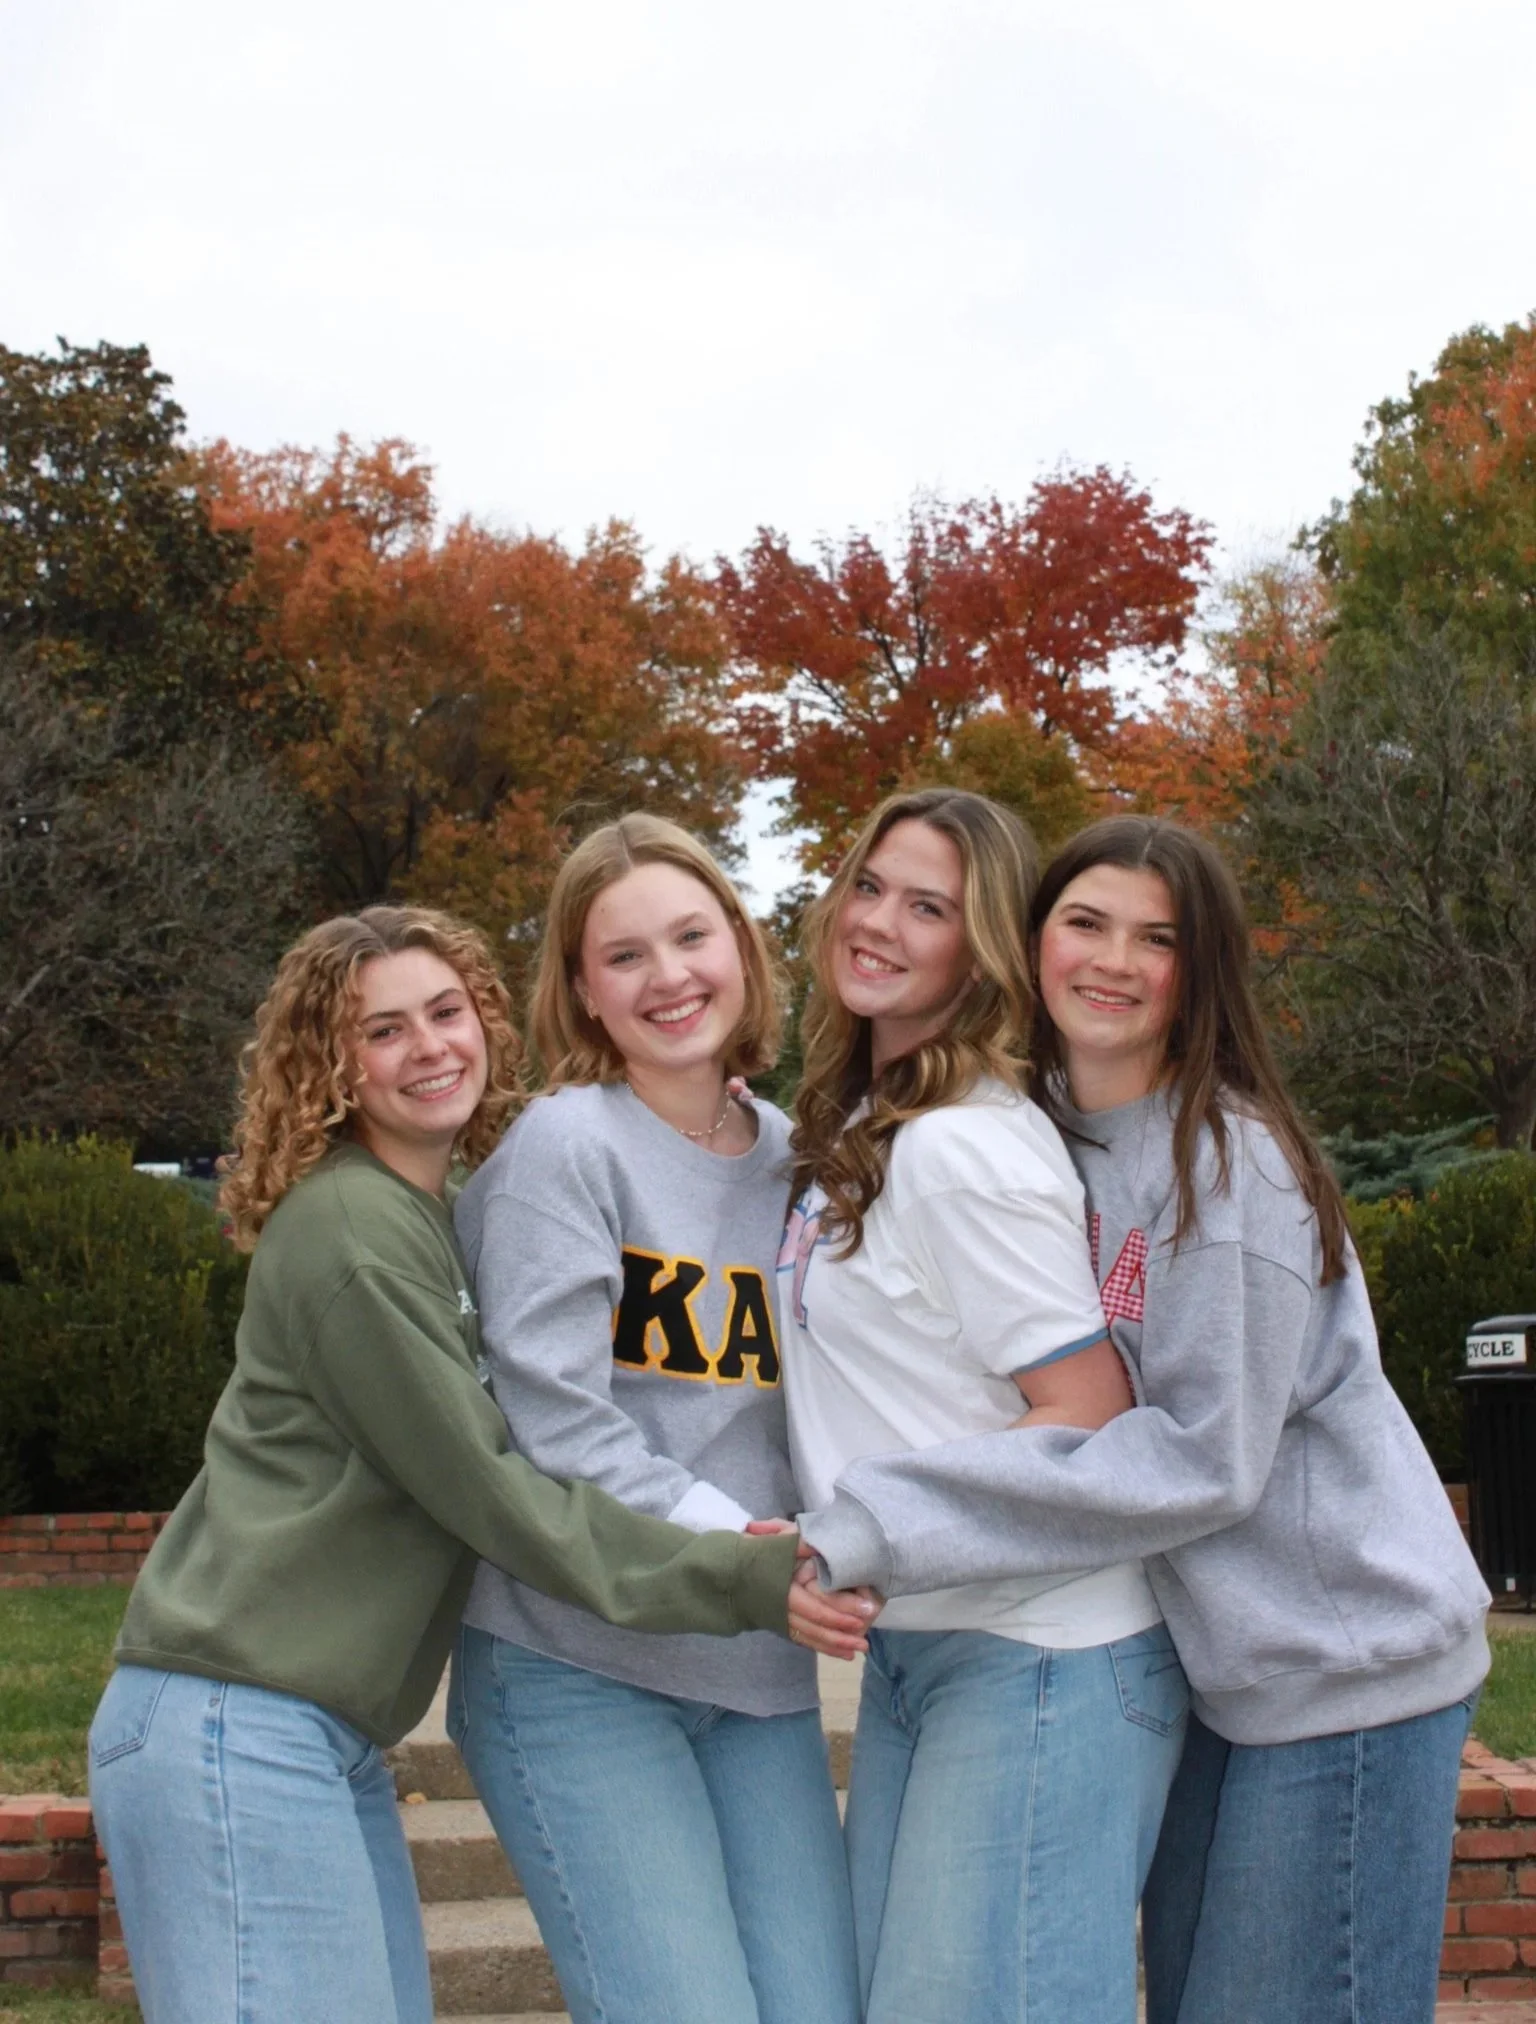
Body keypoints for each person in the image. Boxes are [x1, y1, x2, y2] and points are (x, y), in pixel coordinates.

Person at [88, 904, 852, 2024]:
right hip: (233, 1724)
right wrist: (743, 1573)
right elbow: (493, 1491)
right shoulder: (353, 1232)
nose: (430, 1046)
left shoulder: (426, 1213)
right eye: (382, 1030)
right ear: (331, 1063)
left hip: (314, 1732)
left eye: (445, 1011)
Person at [795, 814, 1492, 2024]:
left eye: (1156, 938)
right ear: (1032, 941)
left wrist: (881, 1521)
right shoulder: (1049, 1128)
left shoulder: (1230, 1167)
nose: (1114, 960)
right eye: (1086, 922)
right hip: (1217, 1656)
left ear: (1198, 968)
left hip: (1342, 1663)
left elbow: (1203, 1459)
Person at [775, 788, 1190, 2024]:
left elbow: (1088, 1407)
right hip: (929, 1644)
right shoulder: (871, 1119)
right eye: (868, 886)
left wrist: (869, 1528)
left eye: (929, 907)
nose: (879, 922)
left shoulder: (963, 1145)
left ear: (984, 947)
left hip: (1043, 1651)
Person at [448, 814, 866, 2024]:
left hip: (754, 1669)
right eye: (623, 955)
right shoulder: (564, 1148)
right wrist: (747, 1554)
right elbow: (559, 1427)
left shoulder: (799, 1156)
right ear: (582, 988)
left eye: (691, 936)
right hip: (580, 1657)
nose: (667, 975)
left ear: (740, 943)